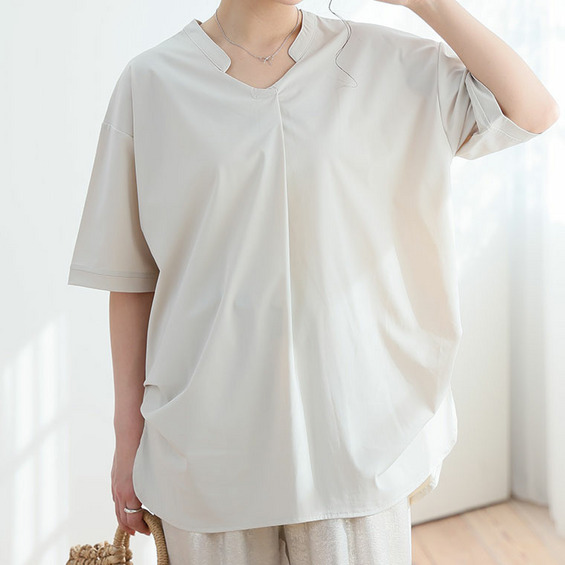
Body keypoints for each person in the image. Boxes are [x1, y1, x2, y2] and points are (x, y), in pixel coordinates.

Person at [67, 0, 559, 563]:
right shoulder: (152, 82)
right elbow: (131, 277)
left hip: (354, 441)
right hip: (205, 447)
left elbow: (531, 110)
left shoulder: (386, 61)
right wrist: (126, 442)